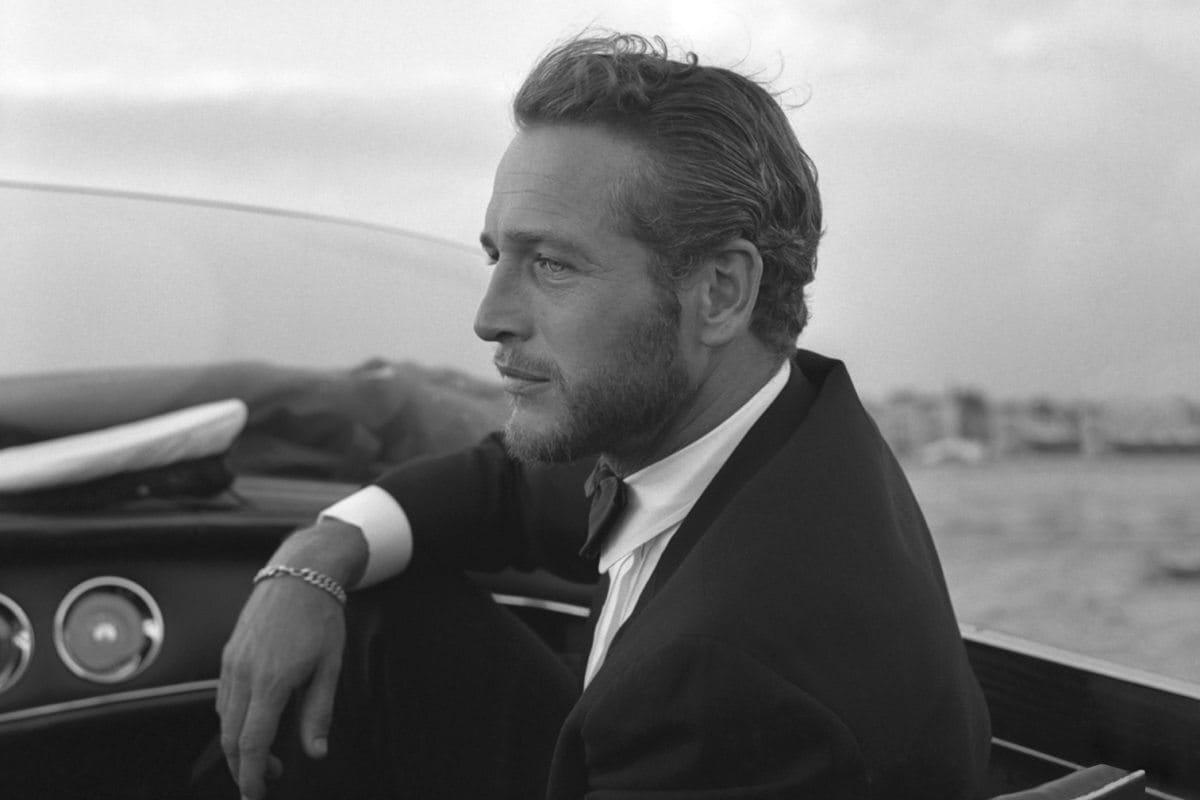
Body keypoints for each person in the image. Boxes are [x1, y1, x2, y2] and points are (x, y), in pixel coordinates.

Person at [212, 32, 991, 800]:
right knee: (380, 622)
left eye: (551, 264)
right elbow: (505, 486)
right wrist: (315, 557)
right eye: (496, 257)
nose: (489, 318)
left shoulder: (731, 683)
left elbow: (696, 692)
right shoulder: (766, 427)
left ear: (720, 292)